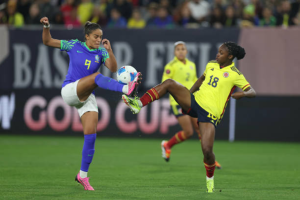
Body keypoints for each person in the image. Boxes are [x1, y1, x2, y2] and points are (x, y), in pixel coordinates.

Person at [122, 42, 256, 193]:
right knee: (169, 83)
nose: (217, 54)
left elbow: (252, 91)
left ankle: (210, 179)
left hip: (210, 114)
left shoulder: (235, 74)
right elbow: (200, 80)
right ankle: (138, 103)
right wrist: (188, 95)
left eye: (221, 53)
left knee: (207, 150)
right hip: (195, 101)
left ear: (230, 56)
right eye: (218, 51)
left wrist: (242, 94)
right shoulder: (211, 64)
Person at [40, 16, 141, 190]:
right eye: (95, 37)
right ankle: (126, 90)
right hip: (70, 90)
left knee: (91, 136)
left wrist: (109, 51)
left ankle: (82, 176)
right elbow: (47, 41)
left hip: (87, 97)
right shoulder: (74, 45)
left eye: (100, 37)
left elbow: (114, 68)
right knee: (96, 77)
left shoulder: (101, 52)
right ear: (86, 36)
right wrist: (47, 26)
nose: (99, 40)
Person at [161, 41, 221, 169]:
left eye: (183, 49)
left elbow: (195, 82)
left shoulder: (191, 65)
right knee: (188, 132)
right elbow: (165, 84)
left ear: (187, 51)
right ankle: (167, 145)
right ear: (174, 52)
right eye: (178, 49)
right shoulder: (171, 66)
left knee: (199, 127)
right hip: (177, 102)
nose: (181, 51)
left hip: (192, 100)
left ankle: (209, 158)